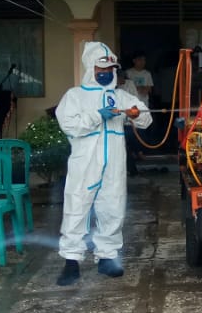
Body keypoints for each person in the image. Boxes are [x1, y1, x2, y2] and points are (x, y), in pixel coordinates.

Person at [55, 42, 152, 284]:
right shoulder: (75, 96)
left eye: (110, 68)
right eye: (101, 68)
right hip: (85, 161)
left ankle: (107, 257)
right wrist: (98, 115)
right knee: (77, 206)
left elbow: (147, 119)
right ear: (91, 68)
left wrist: (136, 114)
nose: (106, 73)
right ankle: (71, 261)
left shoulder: (120, 95)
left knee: (113, 206)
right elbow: (69, 125)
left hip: (114, 163)